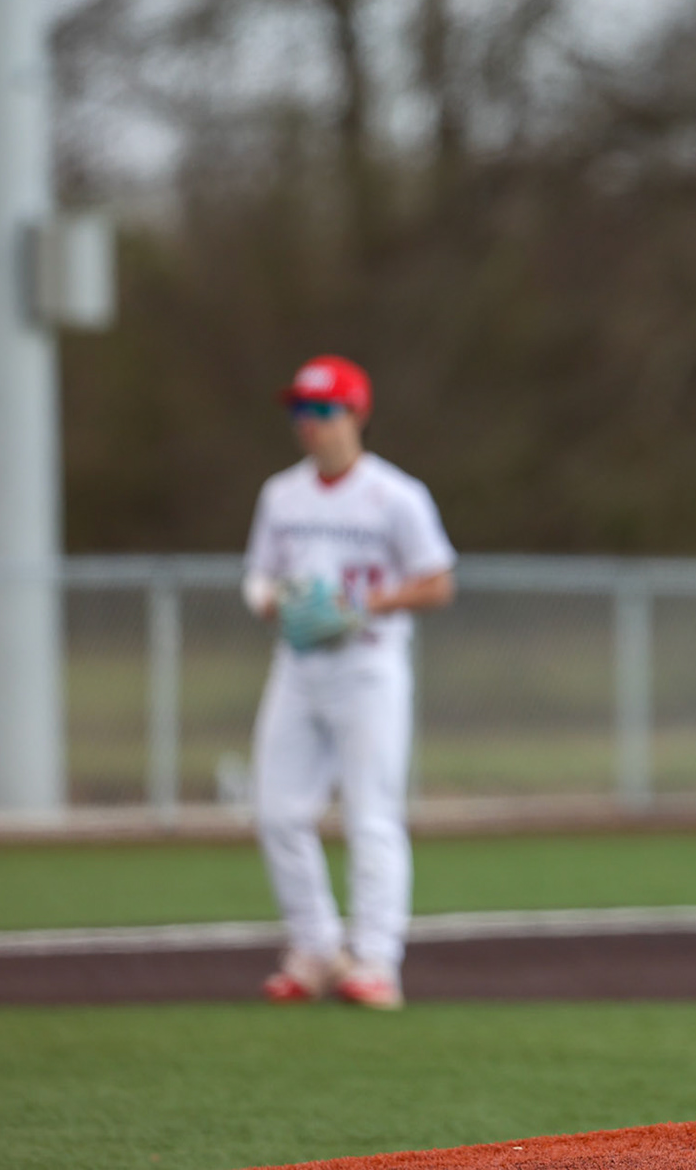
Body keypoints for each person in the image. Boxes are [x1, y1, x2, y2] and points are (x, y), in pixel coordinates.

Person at [242, 355, 457, 1010]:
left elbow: (438, 580)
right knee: (277, 810)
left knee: (372, 813)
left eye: (322, 411)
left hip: (369, 667)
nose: (309, 425)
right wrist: (280, 602)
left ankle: (375, 961)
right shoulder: (281, 494)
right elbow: (256, 579)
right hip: (301, 668)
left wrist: (364, 608)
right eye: (300, 413)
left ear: (356, 413)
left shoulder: (395, 495)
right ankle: (314, 946)